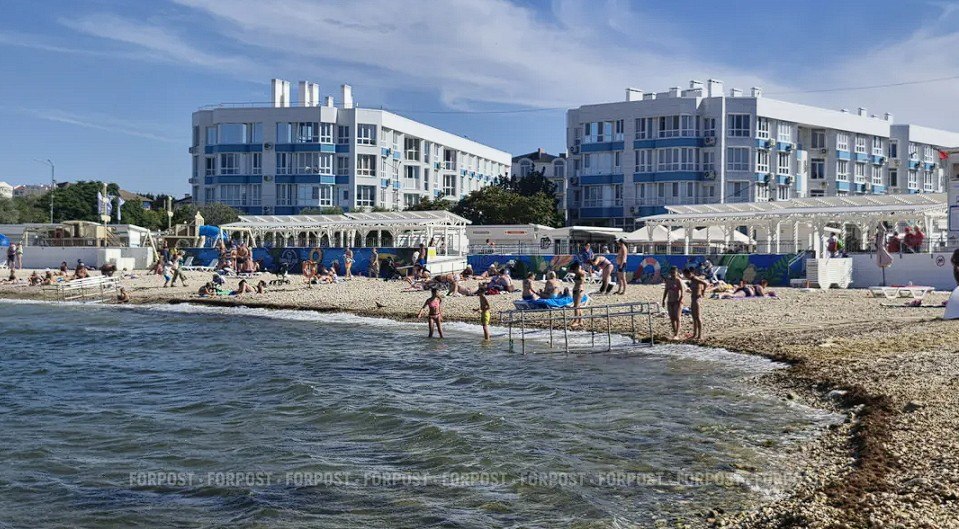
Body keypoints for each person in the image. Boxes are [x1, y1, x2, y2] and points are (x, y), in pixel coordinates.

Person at [684, 268, 709, 340]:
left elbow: (705, 283)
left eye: (686, 276)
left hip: (697, 299)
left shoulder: (695, 279)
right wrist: (690, 291)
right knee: (694, 317)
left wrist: (703, 292)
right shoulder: (692, 280)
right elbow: (696, 289)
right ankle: (694, 334)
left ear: (689, 274)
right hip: (693, 299)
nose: (686, 277)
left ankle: (700, 335)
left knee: (697, 317)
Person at [661, 267, 684, 340]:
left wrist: (680, 299)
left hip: (677, 301)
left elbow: (682, 292)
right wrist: (663, 300)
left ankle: (677, 334)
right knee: (672, 318)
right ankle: (674, 333)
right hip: (669, 301)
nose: (672, 274)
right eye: (671, 273)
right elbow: (666, 290)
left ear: (677, 272)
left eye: (674, 272)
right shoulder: (668, 281)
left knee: (677, 317)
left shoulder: (678, 281)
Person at [569, 261, 585, 328]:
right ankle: (580, 321)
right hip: (576, 289)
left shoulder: (581, 273)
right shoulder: (577, 272)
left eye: (575, 269)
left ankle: (575, 321)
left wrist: (575, 271)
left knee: (576, 306)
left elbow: (581, 281)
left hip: (579, 290)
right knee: (578, 306)